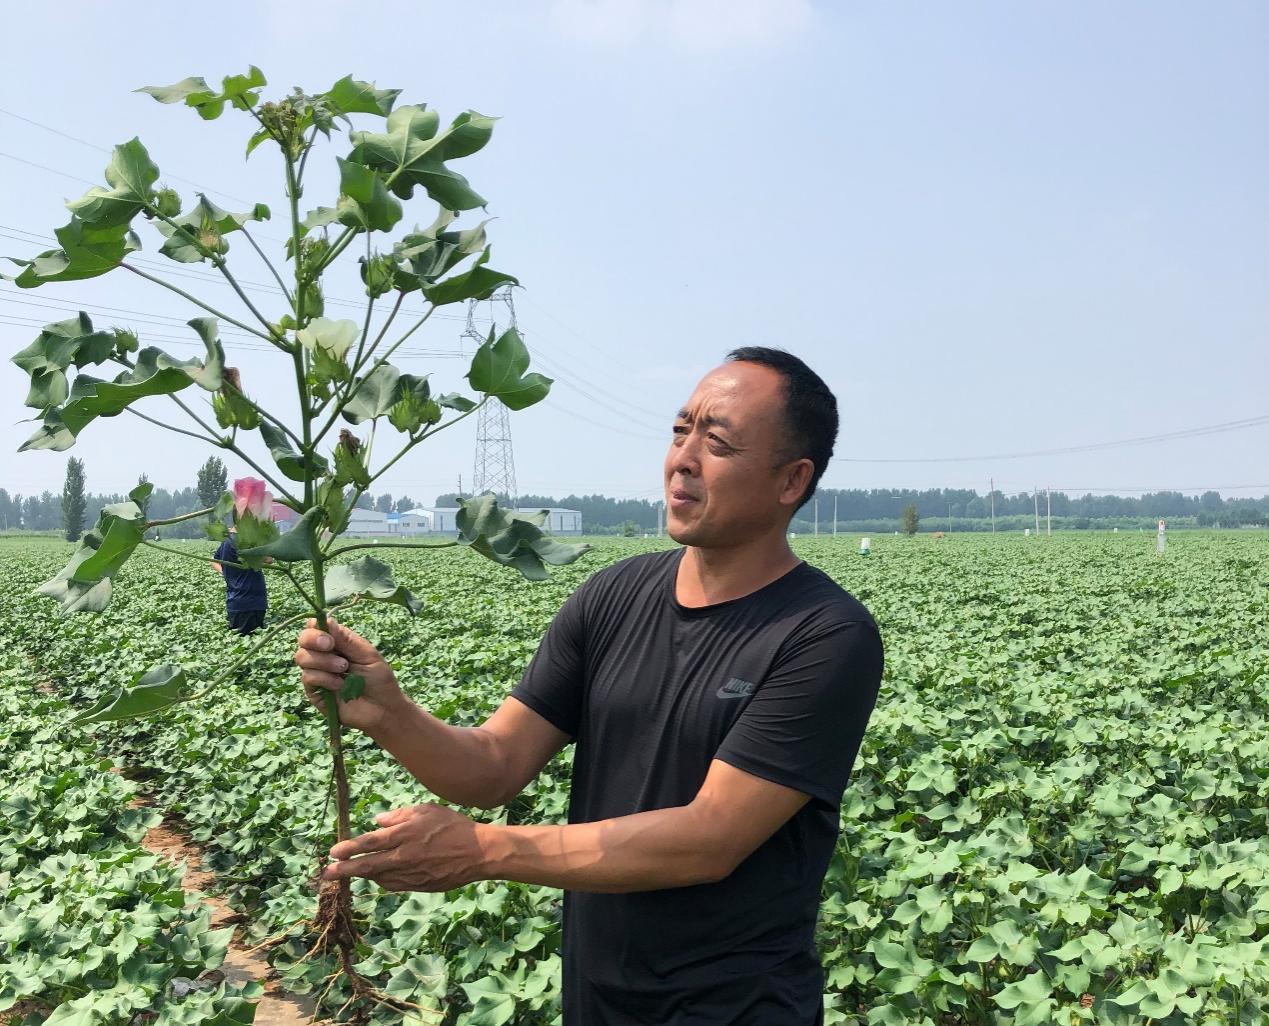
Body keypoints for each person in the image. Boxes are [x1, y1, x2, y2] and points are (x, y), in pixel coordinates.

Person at [294, 347, 884, 1024]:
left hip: (736, 1009)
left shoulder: (824, 635)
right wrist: (388, 712)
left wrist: (486, 848)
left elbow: (709, 837)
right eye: (679, 430)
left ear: (791, 481)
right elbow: (493, 767)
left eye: (715, 441)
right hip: (596, 1000)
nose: (683, 458)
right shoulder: (613, 596)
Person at [212, 527, 268, 635]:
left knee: (239, 644)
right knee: (251, 644)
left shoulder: (227, 540)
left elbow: (214, 560)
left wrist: (227, 573)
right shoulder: (245, 541)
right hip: (250, 602)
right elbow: (269, 559)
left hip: (235, 602)